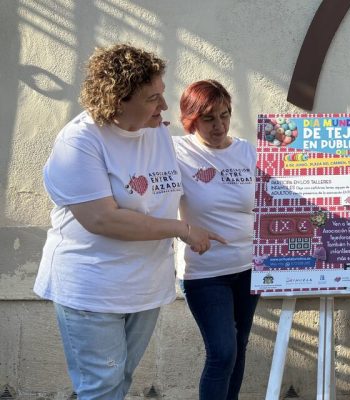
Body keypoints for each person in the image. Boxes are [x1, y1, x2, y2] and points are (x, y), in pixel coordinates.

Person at [34, 44, 223, 399]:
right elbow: (104, 220)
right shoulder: (80, 141)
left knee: (119, 381)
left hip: (143, 286)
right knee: (101, 386)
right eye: (153, 98)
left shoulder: (156, 131)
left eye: (161, 95)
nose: (164, 107)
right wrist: (183, 229)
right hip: (91, 285)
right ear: (119, 99)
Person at [174, 80, 260, 400]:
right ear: (191, 119)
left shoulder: (246, 151)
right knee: (222, 352)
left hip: (249, 267)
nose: (219, 125)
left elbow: (268, 203)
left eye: (224, 115)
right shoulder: (177, 151)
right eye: (209, 118)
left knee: (238, 348)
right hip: (205, 271)